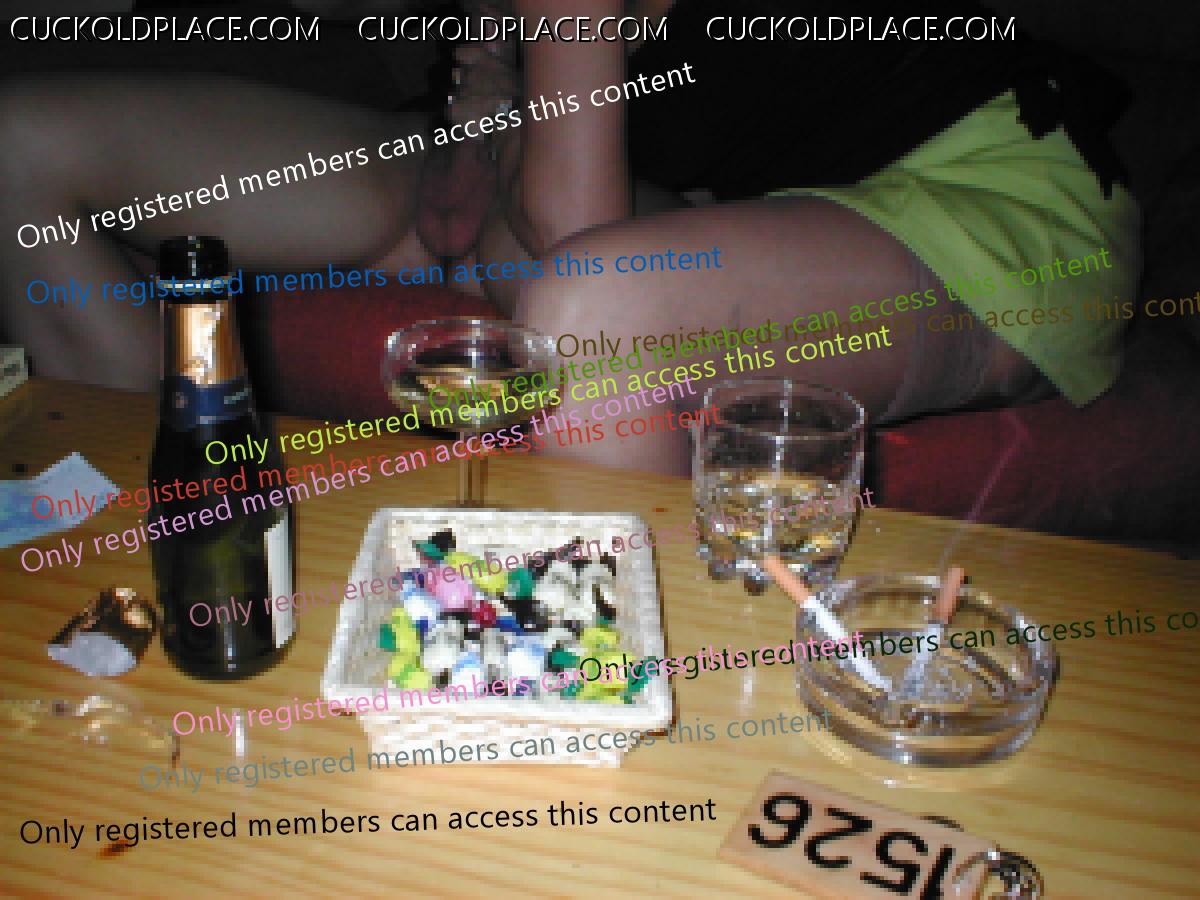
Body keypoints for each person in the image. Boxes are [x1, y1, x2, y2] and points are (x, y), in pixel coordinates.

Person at [0, 0, 1139, 478]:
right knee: (20, 145)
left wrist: (506, 141)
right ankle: (160, 532)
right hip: (681, 188)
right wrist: (492, 123)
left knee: (598, 311)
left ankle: (622, 715)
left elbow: (573, 252)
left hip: (980, 189)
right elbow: (466, 203)